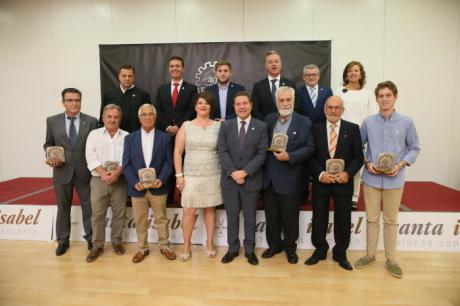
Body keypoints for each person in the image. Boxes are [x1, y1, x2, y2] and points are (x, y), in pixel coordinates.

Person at [354, 81, 420, 278]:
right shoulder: (368, 122)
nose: (384, 99)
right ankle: (370, 255)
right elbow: (358, 147)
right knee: (372, 219)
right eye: (380, 96)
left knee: (391, 220)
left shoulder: (407, 122)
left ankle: (391, 259)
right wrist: (367, 163)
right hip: (372, 180)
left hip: (395, 180)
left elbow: (414, 148)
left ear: (395, 97)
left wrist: (400, 165)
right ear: (377, 99)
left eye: (387, 95)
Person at [305, 96, 363, 270]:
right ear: (324, 109)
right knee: (319, 216)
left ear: (342, 110)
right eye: (330, 107)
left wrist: (348, 173)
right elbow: (310, 156)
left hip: (343, 182)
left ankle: (340, 253)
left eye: (337, 107)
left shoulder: (352, 129)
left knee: (343, 218)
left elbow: (358, 157)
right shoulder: (314, 129)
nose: (333, 110)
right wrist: (320, 174)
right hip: (321, 182)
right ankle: (320, 250)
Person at [262, 86, 315, 264]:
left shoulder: (304, 122)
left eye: (288, 100)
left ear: (293, 101)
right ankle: (274, 246)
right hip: (269, 178)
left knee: (291, 217)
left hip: (291, 178)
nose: (285, 103)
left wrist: (290, 156)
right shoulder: (268, 120)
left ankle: (290, 248)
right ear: (276, 102)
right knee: (271, 216)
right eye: (281, 100)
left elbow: (310, 148)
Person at [44, 88, 98, 256]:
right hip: (61, 171)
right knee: (63, 207)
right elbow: (48, 143)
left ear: (81, 101)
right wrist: (50, 155)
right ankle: (62, 240)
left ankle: (91, 239)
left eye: (77, 100)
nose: (74, 103)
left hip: (85, 171)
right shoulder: (52, 121)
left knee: (89, 207)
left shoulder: (91, 121)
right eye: (70, 100)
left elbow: (94, 146)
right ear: (63, 102)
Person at [218, 91, 268, 265]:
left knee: (250, 218)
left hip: (251, 180)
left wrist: (245, 172)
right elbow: (222, 151)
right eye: (238, 104)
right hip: (229, 181)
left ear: (251, 105)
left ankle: (249, 250)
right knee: (232, 217)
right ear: (234, 106)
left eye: (245, 103)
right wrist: (233, 173)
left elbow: (262, 154)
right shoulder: (226, 126)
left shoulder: (261, 126)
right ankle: (232, 249)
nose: (241, 106)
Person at [122, 104, 176, 263]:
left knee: (161, 218)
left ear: (155, 116)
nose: (147, 117)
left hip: (158, 186)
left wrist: (162, 179)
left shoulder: (165, 138)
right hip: (137, 188)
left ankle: (165, 246)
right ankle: (142, 248)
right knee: (140, 220)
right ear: (139, 117)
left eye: (150, 114)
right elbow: (126, 164)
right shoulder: (129, 138)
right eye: (144, 114)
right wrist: (134, 182)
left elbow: (169, 162)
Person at [174, 91, 222, 261]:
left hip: (212, 173)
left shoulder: (218, 126)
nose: (203, 105)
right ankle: (187, 244)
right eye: (200, 103)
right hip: (191, 175)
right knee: (189, 210)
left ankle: (209, 243)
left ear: (211, 107)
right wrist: (179, 176)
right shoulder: (186, 126)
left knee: (210, 208)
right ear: (195, 106)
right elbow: (178, 151)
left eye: (206, 103)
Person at [85, 104, 129, 262]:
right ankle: (97, 245)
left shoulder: (127, 136)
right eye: (109, 117)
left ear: (120, 119)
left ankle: (116, 242)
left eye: (116, 117)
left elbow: (128, 158)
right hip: (98, 180)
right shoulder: (93, 135)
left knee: (119, 213)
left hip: (119, 179)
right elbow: (90, 156)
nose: (112, 120)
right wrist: (104, 174)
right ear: (103, 118)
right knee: (97, 214)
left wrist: (117, 173)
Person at [155, 56, 198, 204]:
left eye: (177, 66)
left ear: (183, 68)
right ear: (169, 69)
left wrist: (178, 126)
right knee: (166, 165)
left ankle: (185, 200)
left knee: (182, 167)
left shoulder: (192, 89)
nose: (174, 68)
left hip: (184, 134)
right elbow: (158, 110)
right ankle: (167, 200)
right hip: (165, 135)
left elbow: (192, 110)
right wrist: (167, 126)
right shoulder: (162, 89)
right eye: (172, 66)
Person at [334, 61, 375, 210]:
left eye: (356, 71)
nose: (353, 73)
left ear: (361, 74)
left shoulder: (368, 93)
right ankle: (339, 194)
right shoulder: (339, 91)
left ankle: (354, 197)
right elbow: (333, 110)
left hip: (360, 134)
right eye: (350, 71)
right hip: (341, 132)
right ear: (346, 74)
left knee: (356, 166)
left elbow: (371, 116)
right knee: (341, 163)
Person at [100, 64, 151, 133]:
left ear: (134, 77)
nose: (127, 78)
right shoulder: (109, 95)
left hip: (135, 136)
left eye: (130, 76)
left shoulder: (143, 95)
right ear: (119, 76)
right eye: (124, 76)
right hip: (114, 136)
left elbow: (148, 119)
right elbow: (102, 118)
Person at [251, 50, 297, 120]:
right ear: (266, 66)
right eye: (270, 62)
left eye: (276, 61)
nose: (274, 64)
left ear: (280, 64)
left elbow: (296, 107)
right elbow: (255, 110)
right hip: (266, 126)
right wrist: (265, 123)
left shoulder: (290, 84)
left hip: (287, 125)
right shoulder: (258, 86)